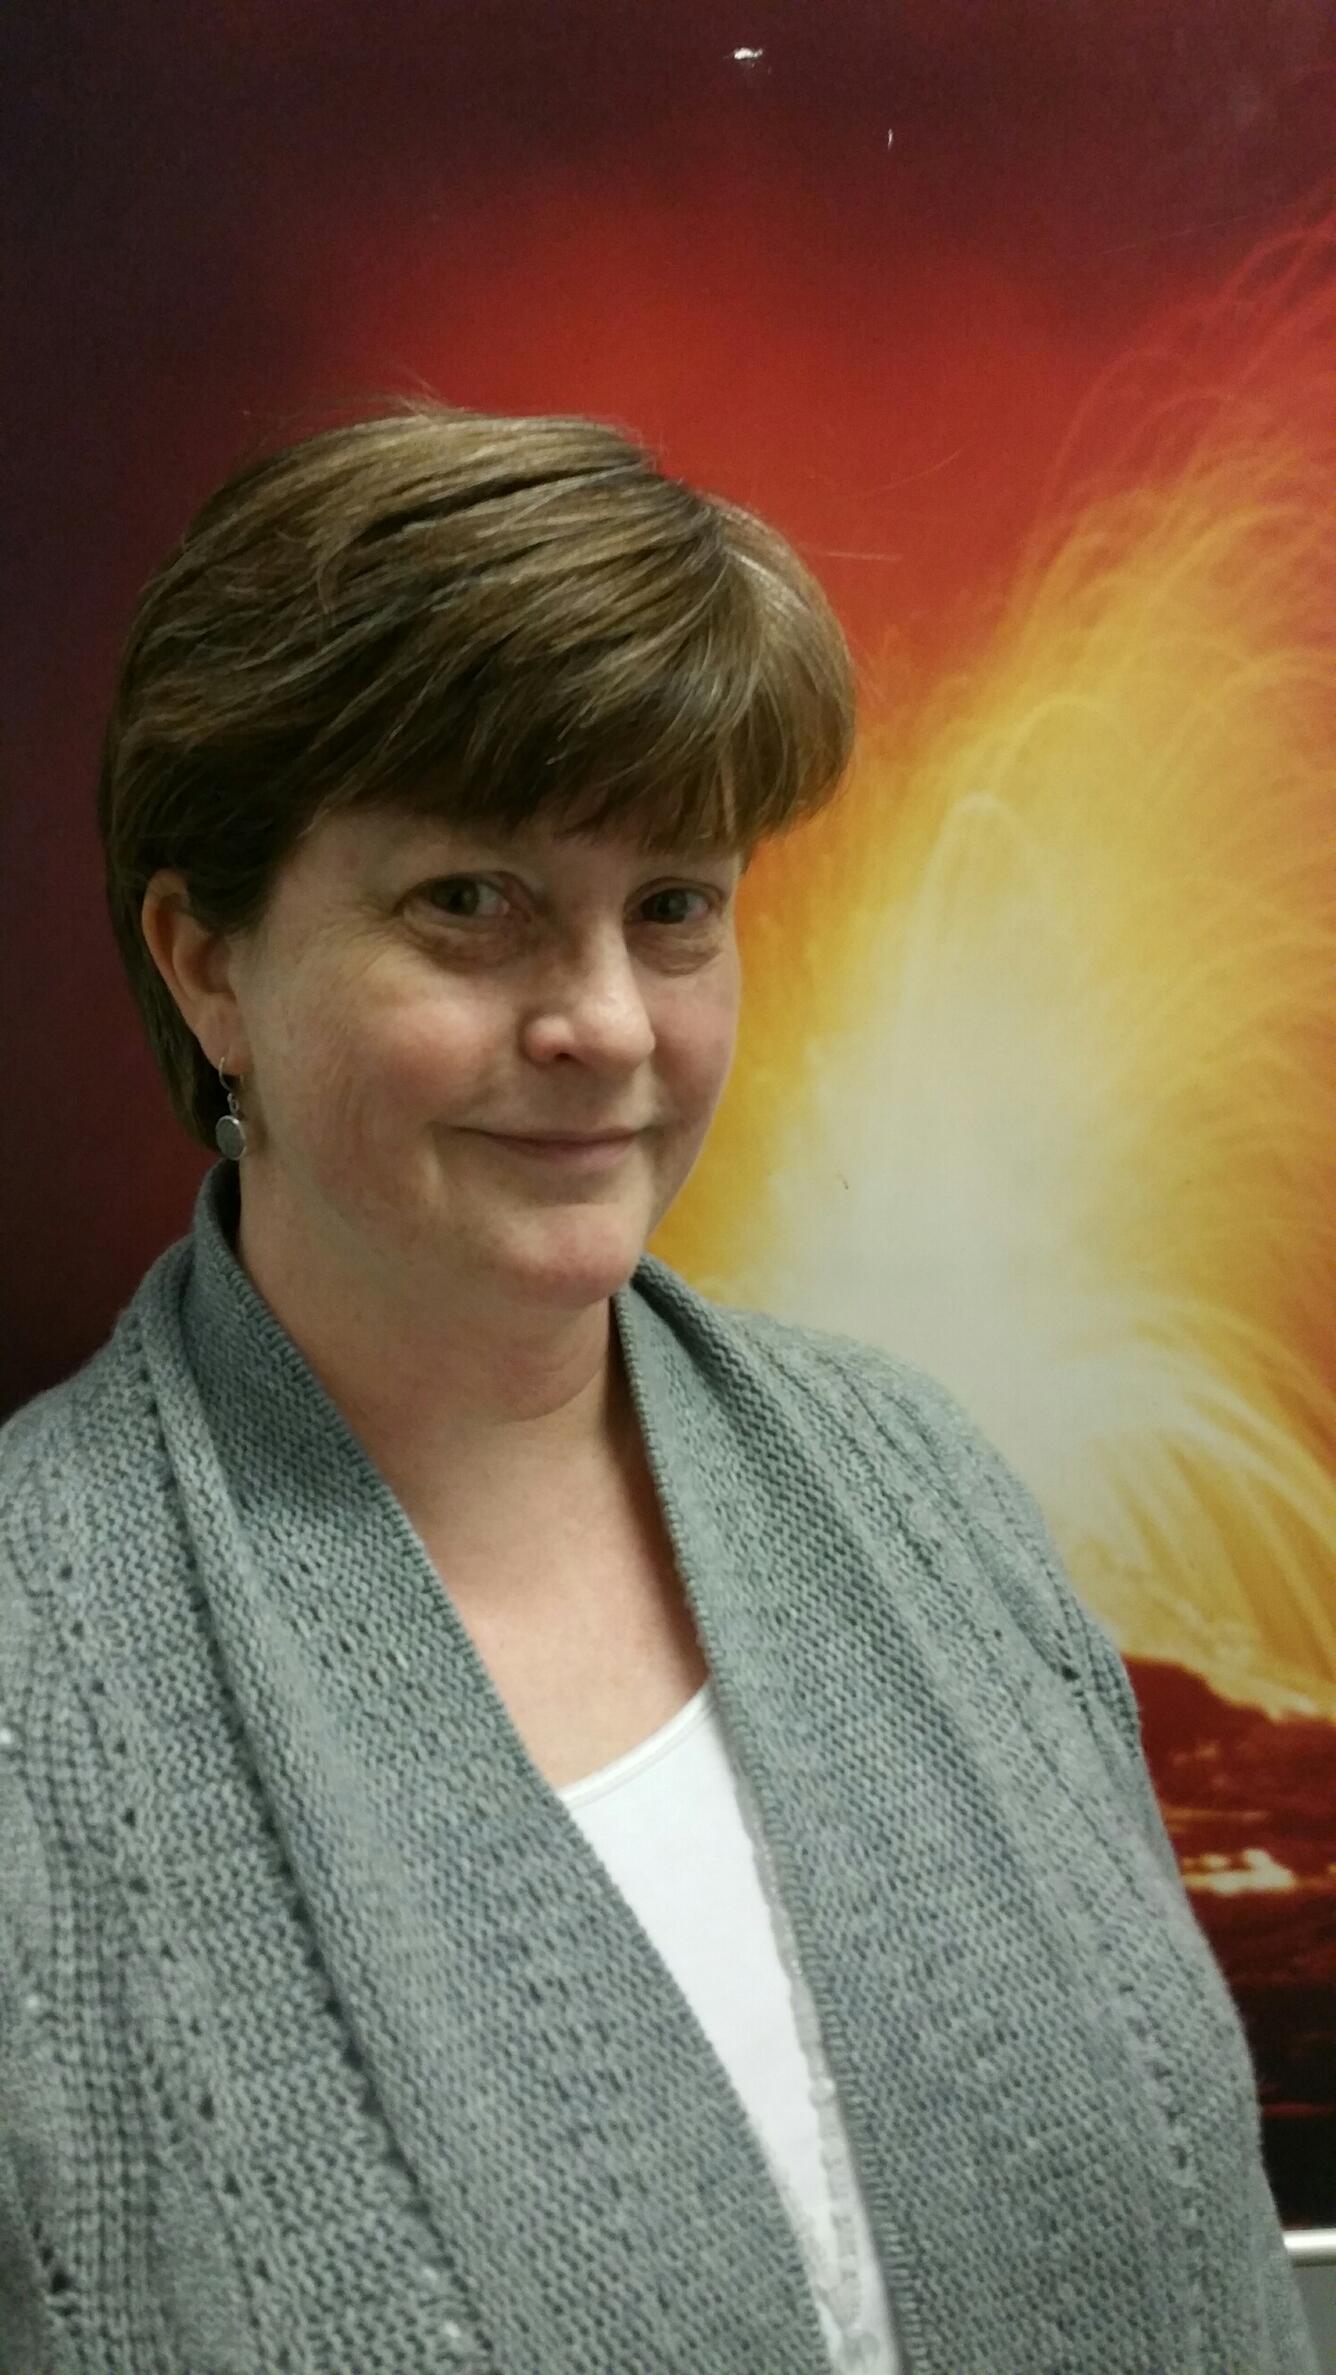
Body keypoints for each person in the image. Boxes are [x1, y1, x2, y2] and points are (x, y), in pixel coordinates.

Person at [0, 403, 1315, 2375]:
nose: (605, 1024)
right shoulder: (32, 1678)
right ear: (207, 964)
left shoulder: (923, 1486)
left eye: (673, 907)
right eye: (470, 901)